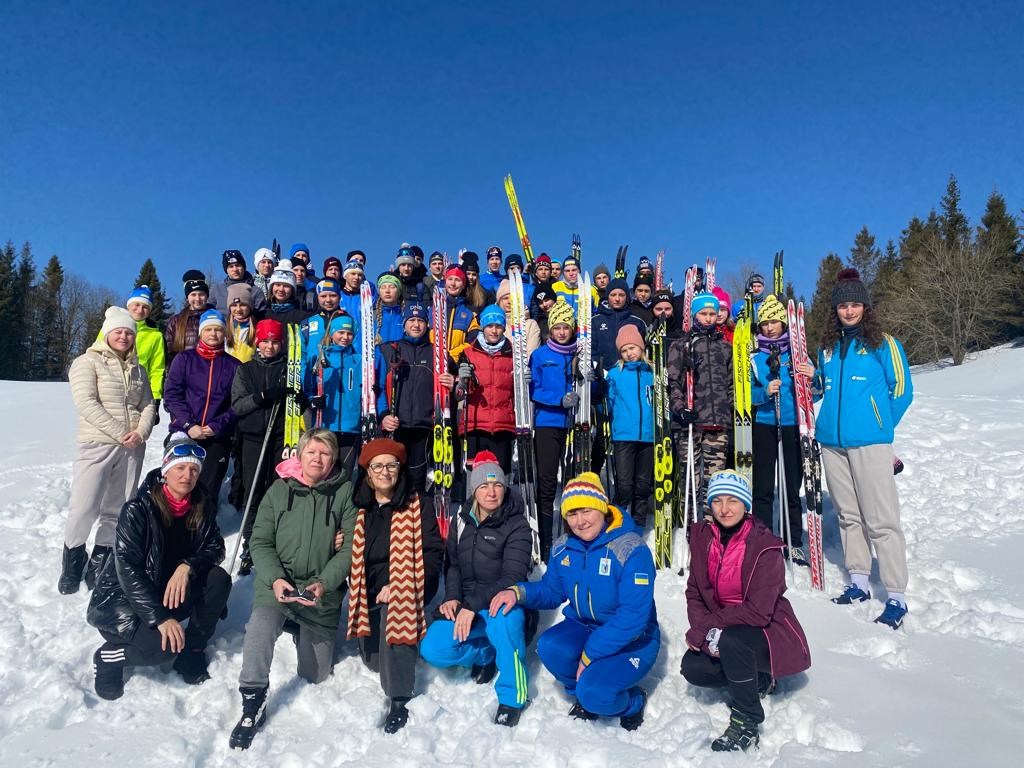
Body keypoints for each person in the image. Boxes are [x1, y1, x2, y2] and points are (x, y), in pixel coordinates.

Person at [490, 473, 658, 730]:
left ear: (602, 507)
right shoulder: (564, 547)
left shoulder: (630, 549)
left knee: (597, 693)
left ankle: (632, 701)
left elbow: (633, 618)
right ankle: (584, 692)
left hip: (633, 641)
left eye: (586, 511)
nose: (579, 521)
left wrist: (590, 653)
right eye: (572, 514)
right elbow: (552, 591)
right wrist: (519, 592)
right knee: (550, 647)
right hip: (587, 628)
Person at [230, 429, 358, 750]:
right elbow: (259, 540)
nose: (318, 458)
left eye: (325, 453)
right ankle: (252, 696)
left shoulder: (344, 493)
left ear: (333, 460)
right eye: (312, 451)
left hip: (319, 593)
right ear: (300, 455)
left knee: (315, 674)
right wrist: (274, 578)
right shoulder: (279, 490)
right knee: (260, 627)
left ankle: (302, 627)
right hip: (278, 588)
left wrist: (325, 583)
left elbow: (350, 549)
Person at [808, 268, 914, 629]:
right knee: (848, 515)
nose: (849, 311)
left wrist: (879, 426)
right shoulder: (828, 348)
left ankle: (896, 594)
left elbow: (901, 390)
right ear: (835, 309)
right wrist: (809, 377)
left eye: (855, 305)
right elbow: (820, 390)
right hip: (832, 444)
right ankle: (858, 582)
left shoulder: (884, 343)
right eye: (843, 306)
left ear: (866, 307)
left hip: (870, 443)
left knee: (881, 519)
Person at [87, 437, 231, 700]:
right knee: (163, 649)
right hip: (125, 602)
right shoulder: (138, 509)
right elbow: (128, 570)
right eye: (180, 468)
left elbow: (215, 547)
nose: (187, 475)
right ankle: (109, 657)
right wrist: (161, 618)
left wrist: (187, 566)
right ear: (166, 470)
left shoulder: (200, 503)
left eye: (194, 470)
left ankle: (194, 651)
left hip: (169, 588)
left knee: (218, 579)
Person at [681, 470, 810, 752]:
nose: (724, 509)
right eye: (717, 501)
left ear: (745, 505)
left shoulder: (766, 546)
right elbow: (694, 591)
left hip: (765, 634)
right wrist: (705, 629)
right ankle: (756, 679)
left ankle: (747, 719)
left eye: (732, 501)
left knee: (734, 641)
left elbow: (759, 612)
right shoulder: (703, 537)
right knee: (693, 669)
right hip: (724, 631)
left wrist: (708, 628)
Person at [419, 452, 533, 726]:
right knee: (433, 647)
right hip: (468, 605)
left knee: (503, 622)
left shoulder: (517, 524)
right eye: (484, 486)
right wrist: (453, 597)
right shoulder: (461, 519)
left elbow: (512, 575)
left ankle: (512, 696)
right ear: (474, 489)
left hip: (503, 603)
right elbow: (454, 565)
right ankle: (487, 653)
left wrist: (471, 605)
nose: (491, 492)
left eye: (497, 486)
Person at [346, 438, 444, 733]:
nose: (385, 472)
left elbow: (433, 554)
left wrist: (402, 585)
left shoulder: (418, 504)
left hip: (405, 591)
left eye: (391, 465)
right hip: (367, 595)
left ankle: (400, 698)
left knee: (396, 606)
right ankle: (391, 651)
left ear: (400, 469)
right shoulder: (359, 507)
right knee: (375, 662)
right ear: (367, 471)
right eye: (378, 466)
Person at [62, 306, 157, 594]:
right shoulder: (87, 362)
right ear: (107, 333)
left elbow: (148, 405)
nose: (124, 337)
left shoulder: (138, 369)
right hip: (97, 443)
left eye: (129, 332)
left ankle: (100, 562)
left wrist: (140, 433)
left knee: (117, 509)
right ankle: (73, 561)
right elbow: (87, 403)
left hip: (131, 448)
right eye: (119, 331)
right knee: (85, 505)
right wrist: (121, 433)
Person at [163, 309, 241, 514]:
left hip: (216, 436)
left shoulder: (234, 366)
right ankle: (172, 528)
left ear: (224, 333)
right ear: (200, 332)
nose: (213, 334)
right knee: (180, 483)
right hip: (185, 431)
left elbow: (237, 404)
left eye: (218, 330)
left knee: (207, 488)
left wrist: (216, 426)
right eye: (209, 329)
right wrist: (189, 425)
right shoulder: (184, 359)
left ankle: (203, 532)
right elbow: (172, 395)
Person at [749, 295, 806, 564]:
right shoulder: (754, 357)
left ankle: (793, 541)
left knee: (791, 485)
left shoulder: (796, 353)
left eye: (775, 322)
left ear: (784, 323)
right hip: (764, 425)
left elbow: (814, 391)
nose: (770, 327)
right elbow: (745, 392)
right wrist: (763, 392)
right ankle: (762, 540)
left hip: (792, 423)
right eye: (765, 323)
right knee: (762, 487)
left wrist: (812, 376)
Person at [377, 303, 454, 501]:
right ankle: (394, 519)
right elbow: (376, 388)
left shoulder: (439, 354)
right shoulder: (389, 349)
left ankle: (418, 519)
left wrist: (454, 382)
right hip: (396, 426)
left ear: (427, 325)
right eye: (411, 320)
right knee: (393, 478)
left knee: (419, 478)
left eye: (421, 320)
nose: (416, 325)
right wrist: (384, 416)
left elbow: (458, 385)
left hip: (425, 426)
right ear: (404, 324)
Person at [230, 318, 289, 575]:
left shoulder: (289, 368)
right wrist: (261, 397)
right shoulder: (245, 370)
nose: (269, 346)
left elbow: (299, 401)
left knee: (278, 492)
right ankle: (250, 545)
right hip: (253, 437)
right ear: (257, 342)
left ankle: (274, 541)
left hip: (279, 437)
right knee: (253, 492)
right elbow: (237, 406)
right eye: (265, 341)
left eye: (275, 342)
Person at [668, 291, 733, 510]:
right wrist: (680, 408)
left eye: (712, 314)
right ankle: (690, 529)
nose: (708, 318)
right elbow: (673, 382)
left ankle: (710, 528)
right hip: (690, 423)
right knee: (690, 480)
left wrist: (730, 411)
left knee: (713, 483)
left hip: (718, 424)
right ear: (695, 315)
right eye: (703, 313)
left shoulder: (725, 347)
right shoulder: (682, 345)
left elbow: (732, 384)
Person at [529, 299, 579, 562]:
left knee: (571, 484)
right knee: (547, 483)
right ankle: (546, 542)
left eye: (566, 327)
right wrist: (558, 398)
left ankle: (572, 536)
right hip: (547, 422)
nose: (562, 332)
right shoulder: (539, 355)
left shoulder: (579, 354)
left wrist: (589, 383)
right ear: (550, 328)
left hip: (575, 425)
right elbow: (533, 390)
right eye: (557, 327)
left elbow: (589, 391)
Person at [456, 305, 516, 473]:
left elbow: (517, 392)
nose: (494, 330)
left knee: (500, 475)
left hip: (502, 425)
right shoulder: (468, 353)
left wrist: (524, 380)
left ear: (504, 328)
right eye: (490, 326)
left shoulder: (512, 354)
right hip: (475, 425)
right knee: (475, 475)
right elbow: (459, 395)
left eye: (498, 326)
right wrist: (461, 380)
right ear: (483, 327)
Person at [605, 325, 654, 527]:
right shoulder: (616, 374)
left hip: (649, 436)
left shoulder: (652, 372)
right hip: (624, 436)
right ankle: (617, 522)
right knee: (625, 485)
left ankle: (638, 526)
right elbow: (609, 401)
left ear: (641, 347)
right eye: (624, 351)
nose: (629, 353)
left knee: (643, 486)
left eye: (632, 348)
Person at [305, 314, 362, 476]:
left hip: (351, 426)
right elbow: (309, 387)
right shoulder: (320, 358)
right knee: (323, 472)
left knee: (345, 474)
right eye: (341, 332)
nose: (345, 337)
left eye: (349, 333)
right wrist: (313, 400)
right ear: (332, 334)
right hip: (325, 425)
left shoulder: (359, 360)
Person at [593, 278, 646, 372]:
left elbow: (643, 351)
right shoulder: (596, 321)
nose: (617, 299)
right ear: (607, 296)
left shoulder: (637, 322)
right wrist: (598, 368)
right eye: (613, 295)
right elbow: (591, 349)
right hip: (603, 375)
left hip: (630, 374)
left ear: (627, 297)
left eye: (621, 295)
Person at [165, 269, 213, 365]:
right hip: (184, 371)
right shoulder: (176, 321)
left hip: (210, 370)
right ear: (187, 297)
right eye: (193, 295)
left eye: (201, 294)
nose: (197, 299)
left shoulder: (215, 318)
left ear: (207, 296)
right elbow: (169, 352)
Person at [495, 279, 541, 355]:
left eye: (513, 298)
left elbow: (532, 353)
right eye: (505, 298)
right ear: (499, 302)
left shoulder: (530, 324)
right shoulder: (493, 325)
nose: (509, 301)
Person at [264, 260, 310, 326]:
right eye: (278, 284)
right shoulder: (263, 314)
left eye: (286, 286)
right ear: (272, 287)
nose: (281, 289)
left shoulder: (301, 316)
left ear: (292, 290)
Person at [225, 283, 256, 363]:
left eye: (242, 305)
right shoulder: (224, 328)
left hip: (248, 372)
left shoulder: (257, 328)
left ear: (249, 307)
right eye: (234, 305)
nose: (238, 309)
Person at [374, 273, 407, 344]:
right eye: (383, 287)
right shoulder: (372, 315)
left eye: (392, 287)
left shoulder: (406, 315)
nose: (387, 291)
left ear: (398, 291)